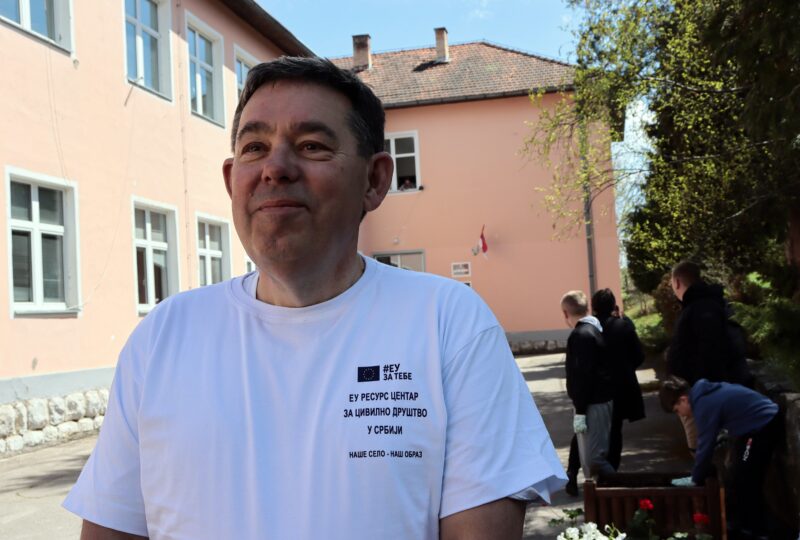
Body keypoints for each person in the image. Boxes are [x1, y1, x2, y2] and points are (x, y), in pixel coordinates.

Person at [62, 57, 566, 539]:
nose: (275, 167)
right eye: (255, 147)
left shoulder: (447, 324)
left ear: (375, 180)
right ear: (231, 180)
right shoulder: (164, 336)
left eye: (311, 146)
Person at [659, 376, 780, 539]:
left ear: (683, 399)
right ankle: (744, 525)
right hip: (754, 424)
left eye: (676, 410)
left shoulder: (703, 405)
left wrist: (695, 478)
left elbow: (705, 446)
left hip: (762, 424)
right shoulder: (703, 395)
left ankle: (757, 531)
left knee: (747, 478)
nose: (680, 414)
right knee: (738, 475)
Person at [668, 260, 751, 451]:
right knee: (710, 451)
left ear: (677, 283)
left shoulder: (700, 308)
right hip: (708, 393)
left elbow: (710, 353)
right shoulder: (710, 304)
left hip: (703, 396)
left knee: (705, 450)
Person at [561, 290, 615, 496]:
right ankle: (602, 502)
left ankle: (623, 491)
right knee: (592, 461)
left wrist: (581, 410)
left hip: (592, 403)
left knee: (593, 460)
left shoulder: (580, 335)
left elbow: (582, 375)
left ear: (565, 313)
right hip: (599, 401)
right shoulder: (593, 330)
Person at [591, 288, 645, 471]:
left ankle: (587, 468)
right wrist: (625, 368)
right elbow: (639, 356)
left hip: (597, 388)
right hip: (621, 386)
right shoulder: (623, 326)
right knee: (615, 429)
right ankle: (612, 468)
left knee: (593, 430)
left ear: (594, 307)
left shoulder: (589, 329)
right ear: (613, 305)